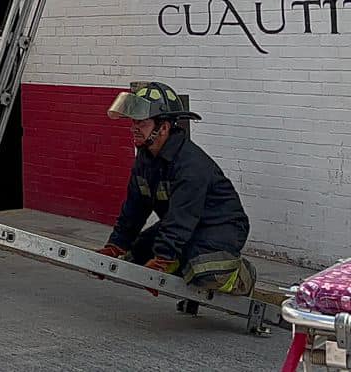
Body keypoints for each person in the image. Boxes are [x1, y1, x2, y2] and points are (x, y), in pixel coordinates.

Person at [98, 82, 256, 301]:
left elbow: (182, 217)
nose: (134, 127)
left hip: (221, 227)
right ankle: (178, 259)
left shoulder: (190, 165)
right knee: (135, 256)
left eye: (142, 122)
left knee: (200, 269)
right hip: (187, 225)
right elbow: (134, 208)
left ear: (163, 128)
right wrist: (115, 246)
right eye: (133, 121)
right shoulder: (145, 159)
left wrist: (163, 259)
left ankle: (241, 276)